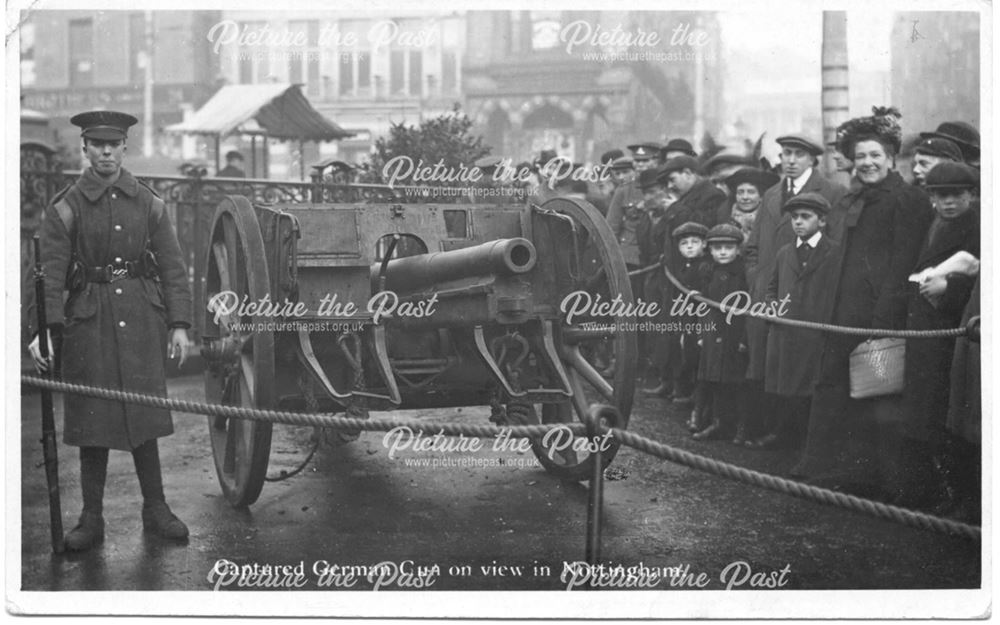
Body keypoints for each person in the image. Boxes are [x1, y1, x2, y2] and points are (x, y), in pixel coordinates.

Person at [28, 110, 194, 551]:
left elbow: (174, 266)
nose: (105, 151)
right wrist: (43, 330)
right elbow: (49, 271)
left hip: (141, 315)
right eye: (97, 144)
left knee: (145, 415)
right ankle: (92, 517)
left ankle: (156, 508)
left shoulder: (148, 202)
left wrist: (179, 323)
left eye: (113, 144)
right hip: (88, 319)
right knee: (92, 419)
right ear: (84, 147)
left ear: (125, 148)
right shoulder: (67, 205)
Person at [794, 107, 934, 494]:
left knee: (879, 395)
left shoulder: (906, 201)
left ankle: (887, 484)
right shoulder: (852, 200)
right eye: (861, 157)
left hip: (879, 316)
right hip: (842, 312)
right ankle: (830, 473)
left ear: (891, 157)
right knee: (836, 389)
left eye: (875, 155)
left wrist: (880, 320)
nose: (868, 163)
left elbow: (902, 263)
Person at [743, 133, 845, 443]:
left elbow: (837, 246)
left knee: (803, 370)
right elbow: (753, 247)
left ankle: (793, 436)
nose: (790, 160)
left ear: (812, 159)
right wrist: (758, 280)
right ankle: (771, 430)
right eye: (786, 153)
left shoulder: (832, 192)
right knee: (768, 366)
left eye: (798, 154)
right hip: (771, 295)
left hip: (809, 299)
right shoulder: (773, 194)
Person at [896, 162, 980, 510]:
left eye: (956, 195)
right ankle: (937, 492)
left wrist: (951, 285)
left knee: (950, 416)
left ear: (971, 195)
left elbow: (981, 273)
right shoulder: (932, 223)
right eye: (940, 195)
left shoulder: (977, 224)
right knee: (925, 415)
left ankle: (961, 497)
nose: (948, 202)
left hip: (954, 330)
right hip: (924, 328)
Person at [752, 193, 840, 450]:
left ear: (822, 221)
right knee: (785, 387)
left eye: (806, 217)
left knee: (810, 387)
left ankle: (808, 442)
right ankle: (783, 435)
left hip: (815, 332)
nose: (798, 222)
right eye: (794, 218)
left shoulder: (834, 252)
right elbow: (772, 287)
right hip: (786, 331)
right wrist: (771, 307)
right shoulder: (785, 252)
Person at [692, 223, 749, 442]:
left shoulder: (743, 274)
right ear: (710, 250)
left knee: (736, 382)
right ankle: (717, 423)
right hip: (712, 332)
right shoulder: (709, 272)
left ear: (737, 249)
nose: (723, 252)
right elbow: (703, 306)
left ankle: (740, 428)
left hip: (734, 334)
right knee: (714, 379)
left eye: (728, 247)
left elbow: (749, 309)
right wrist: (700, 333)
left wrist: (745, 339)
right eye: (717, 248)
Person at [664, 221, 713, 421]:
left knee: (696, 354)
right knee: (685, 351)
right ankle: (685, 390)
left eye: (695, 242)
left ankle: (695, 396)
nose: (690, 246)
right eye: (685, 243)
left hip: (699, 318)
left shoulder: (705, 267)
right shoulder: (683, 267)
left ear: (704, 244)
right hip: (685, 317)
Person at [720, 167, 780, 246]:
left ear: (761, 197)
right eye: (740, 192)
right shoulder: (724, 217)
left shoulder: (770, 219)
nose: (745, 197)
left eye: (751, 192)